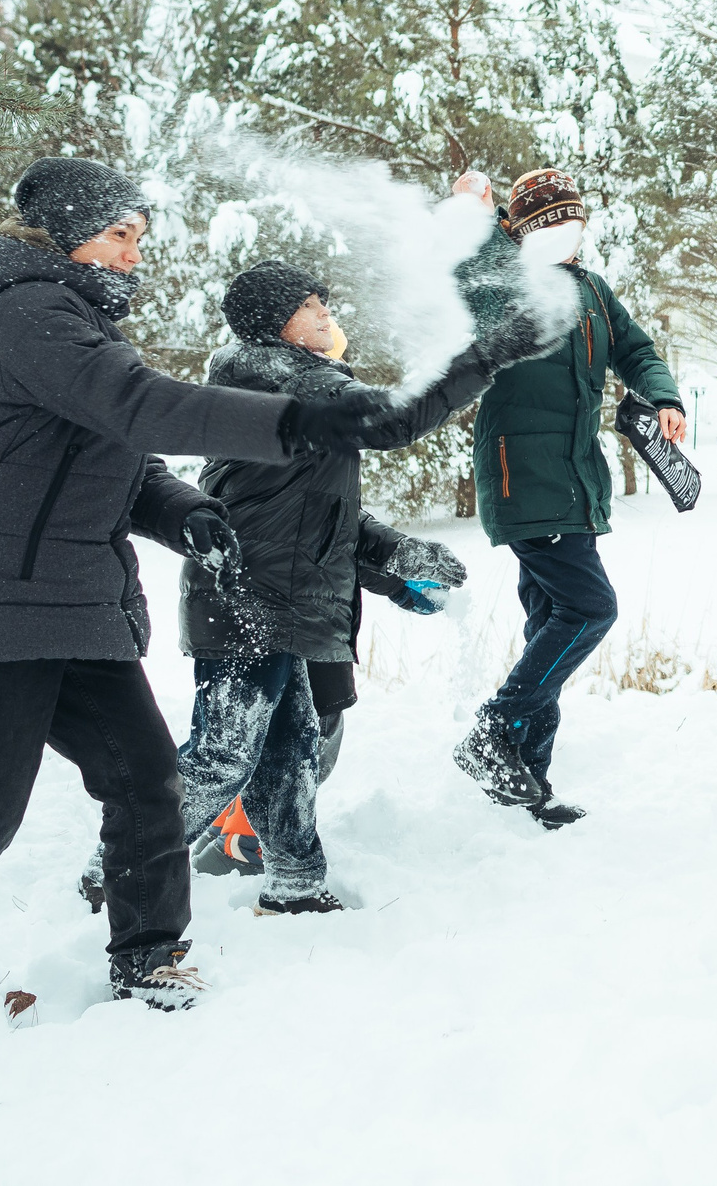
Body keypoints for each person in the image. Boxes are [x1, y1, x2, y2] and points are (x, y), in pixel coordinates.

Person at [0, 159, 395, 1059]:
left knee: (145, 776)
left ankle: (150, 954)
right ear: (67, 234)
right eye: (119, 234)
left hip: (77, 598)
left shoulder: (75, 324)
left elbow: (119, 452)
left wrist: (187, 511)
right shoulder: (32, 313)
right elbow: (141, 406)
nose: (132, 254)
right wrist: (290, 422)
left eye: (139, 239)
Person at [150, 257, 560, 914]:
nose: (326, 315)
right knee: (221, 757)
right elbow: (397, 420)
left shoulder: (301, 389)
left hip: (281, 606)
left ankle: (295, 883)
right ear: (275, 325)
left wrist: (398, 555)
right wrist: (488, 353)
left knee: (289, 756)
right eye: (310, 306)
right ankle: (120, 868)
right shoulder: (277, 381)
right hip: (245, 605)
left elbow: (323, 517)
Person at [449, 167, 686, 827]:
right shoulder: (504, 281)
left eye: (571, 218)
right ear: (523, 232)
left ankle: (527, 778)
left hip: (574, 481)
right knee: (590, 608)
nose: (564, 230)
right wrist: (479, 217)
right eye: (547, 222)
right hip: (523, 479)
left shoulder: (592, 290)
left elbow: (636, 349)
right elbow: (466, 275)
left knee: (547, 627)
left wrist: (663, 395)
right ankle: (494, 729)